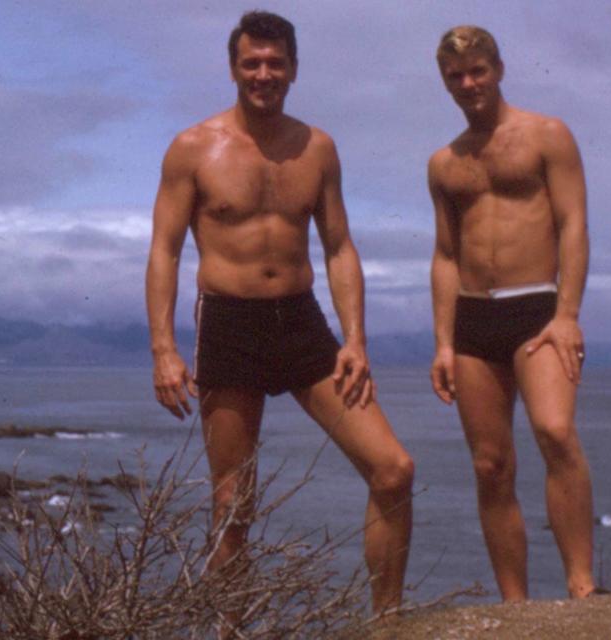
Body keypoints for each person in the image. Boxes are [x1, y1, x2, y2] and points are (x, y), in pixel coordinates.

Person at [145, 11, 413, 614]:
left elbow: (339, 246)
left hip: (301, 323)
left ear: (293, 68)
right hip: (230, 326)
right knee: (233, 506)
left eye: (275, 63)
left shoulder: (316, 148)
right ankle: (228, 632)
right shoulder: (193, 148)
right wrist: (164, 349)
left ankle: (389, 623)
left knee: (393, 468)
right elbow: (164, 250)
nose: (263, 74)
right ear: (234, 67)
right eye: (252, 63)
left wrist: (356, 341)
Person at [428, 25, 599, 600]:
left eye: (478, 70)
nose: (468, 82)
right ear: (445, 81)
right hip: (472, 319)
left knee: (554, 432)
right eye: (456, 75)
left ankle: (581, 587)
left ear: (499, 69)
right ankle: (515, 607)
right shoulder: (444, 164)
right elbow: (446, 255)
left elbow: (573, 224)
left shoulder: (547, 136)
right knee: (490, 466)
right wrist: (444, 343)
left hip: (537, 309)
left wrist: (568, 313)